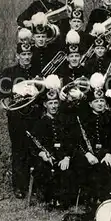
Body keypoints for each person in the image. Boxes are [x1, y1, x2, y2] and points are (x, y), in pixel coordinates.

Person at [0, 41, 39, 198]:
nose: (26, 57)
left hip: (34, 116)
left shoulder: (37, 72)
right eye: (23, 54)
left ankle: (36, 186)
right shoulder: (9, 72)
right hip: (17, 118)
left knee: (35, 149)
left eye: (28, 54)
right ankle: (19, 187)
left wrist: (37, 90)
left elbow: (46, 91)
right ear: (17, 56)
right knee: (19, 150)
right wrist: (13, 89)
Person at [29, 75, 75, 209]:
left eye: (56, 103)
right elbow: (33, 145)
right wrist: (42, 154)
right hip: (46, 157)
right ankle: (50, 198)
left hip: (61, 156)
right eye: (51, 103)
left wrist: (67, 157)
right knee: (44, 170)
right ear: (45, 104)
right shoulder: (40, 123)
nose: (54, 106)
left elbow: (71, 142)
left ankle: (62, 199)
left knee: (69, 169)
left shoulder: (64, 121)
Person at [74, 73, 111, 218]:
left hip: (105, 153)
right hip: (87, 153)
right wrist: (87, 154)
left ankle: (104, 198)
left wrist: (109, 153)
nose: (100, 103)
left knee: (108, 166)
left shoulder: (110, 118)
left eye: (102, 100)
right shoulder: (84, 118)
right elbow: (78, 140)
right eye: (96, 101)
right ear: (91, 104)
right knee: (85, 165)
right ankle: (90, 199)